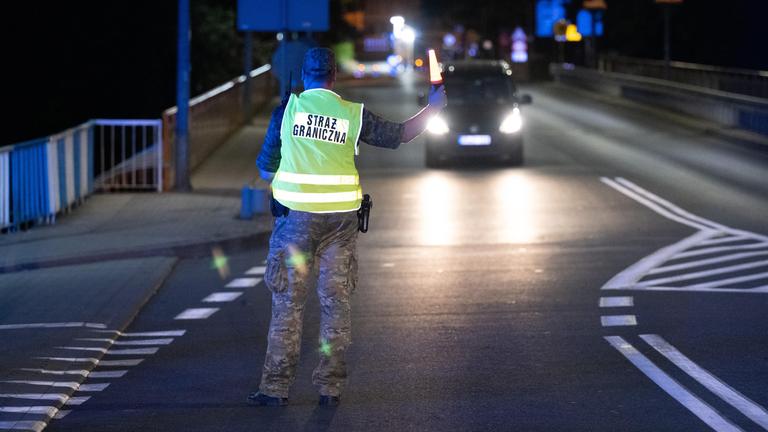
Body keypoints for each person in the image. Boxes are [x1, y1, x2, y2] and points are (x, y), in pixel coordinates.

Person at [248, 47, 447, 407]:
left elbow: (265, 169)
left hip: (295, 221)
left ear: (303, 76)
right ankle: (330, 388)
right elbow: (400, 135)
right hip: (341, 223)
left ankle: (275, 389)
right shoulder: (351, 115)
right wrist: (433, 109)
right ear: (334, 77)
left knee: (288, 305)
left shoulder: (287, 112)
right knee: (335, 304)